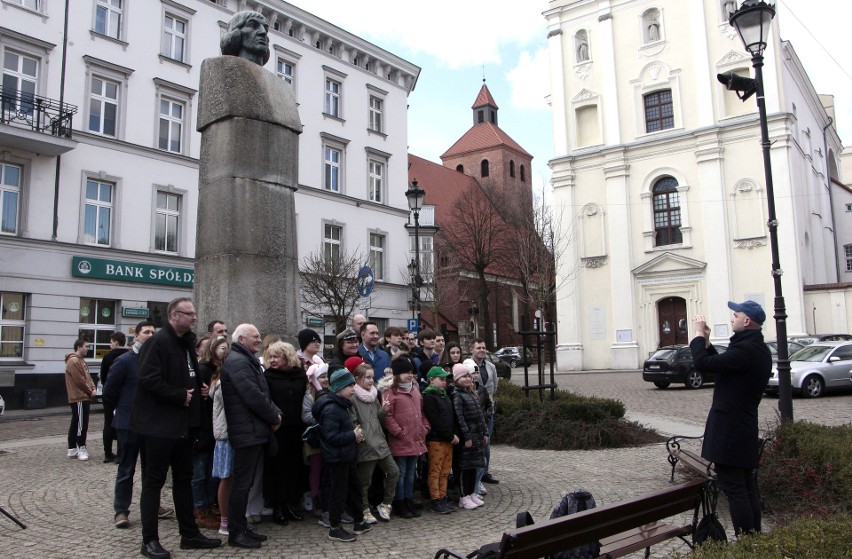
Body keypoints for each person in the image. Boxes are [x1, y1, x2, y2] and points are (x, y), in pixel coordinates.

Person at [130, 297, 221, 559]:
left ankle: (189, 534)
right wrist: (178, 394)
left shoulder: (186, 342)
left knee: (184, 481)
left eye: (195, 313)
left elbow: (188, 373)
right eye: (189, 313)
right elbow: (147, 379)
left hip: (184, 426)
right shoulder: (158, 342)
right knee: (154, 483)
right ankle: (149, 541)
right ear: (173, 316)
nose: (194, 317)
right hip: (159, 427)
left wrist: (200, 388)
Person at [690, 301, 772, 536]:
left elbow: (702, 364)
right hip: (742, 426)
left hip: (730, 430)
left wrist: (697, 335)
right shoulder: (754, 348)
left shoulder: (746, 350)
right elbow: (720, 367)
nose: (731, 318)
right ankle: (754, 539)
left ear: (746, 321)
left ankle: (747, 541)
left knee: (736, 489)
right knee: (746, 487)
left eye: (735, 315)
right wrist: (707, 342)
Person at [220, 324, 282, 549]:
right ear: (242, 339)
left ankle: (242, 527)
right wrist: (273, 417)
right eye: (255, 337)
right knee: (241, 484)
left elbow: (262, 392)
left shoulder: (246, 360)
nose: (259, 340)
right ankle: (236, 532)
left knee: (245, 483)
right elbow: (252, 395)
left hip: (253, 429)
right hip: (247, 430)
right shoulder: (238, 361)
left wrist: (275, 413)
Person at [104, 321, 167, 529]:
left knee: (152, 470)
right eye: (146, 332)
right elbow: (109, 392)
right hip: (128, 423)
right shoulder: (124, 361)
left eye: (153, 332)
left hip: (152, 424)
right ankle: (121, 511)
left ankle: (152, 505)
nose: (150, 335)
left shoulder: (158, 360)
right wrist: (122, 411)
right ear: (136, 337)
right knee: (126, 468)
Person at [313, 367, 372, 542]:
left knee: (355, 487)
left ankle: (359, 521)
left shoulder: (342, 405)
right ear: (338, 388)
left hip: (347, 454)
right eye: (348, 386)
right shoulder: (331, 409)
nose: (353, 389)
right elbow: (330, 436)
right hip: (337, 457)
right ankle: (335, 527)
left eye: (353, 385)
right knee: (338, 492)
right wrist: (352, 435)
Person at [263, 341, 308, 526]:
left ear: (287, 357)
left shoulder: (300, 375)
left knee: (294, 467)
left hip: (296, 426)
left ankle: (290, 503)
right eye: (270, 357)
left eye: (276, 356)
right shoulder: (267, 376)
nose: (272, 360)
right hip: (277, 428)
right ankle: (278, 506)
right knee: (278, 468)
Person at [350, 361, 399, 524]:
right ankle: (364, 508)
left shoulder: (373, 394)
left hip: (380, 442)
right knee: (365, 481)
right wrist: (362, 436)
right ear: (357, 379)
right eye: (367, 377)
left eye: (372, 377)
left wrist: (383, 411)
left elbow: (377, 419)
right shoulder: (353, 398)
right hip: (366, 445)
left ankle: (386, 504)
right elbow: (355, 421)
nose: (371, 381)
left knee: (393, 471)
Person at [383, 355, 429, 519]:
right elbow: (387, 417)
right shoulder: (391, 392)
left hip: (415, 439)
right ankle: (399, 501)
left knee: (411, 474)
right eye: (405, 372)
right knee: (400, 474)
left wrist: (424, 428)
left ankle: (409, 499)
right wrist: (398, 432)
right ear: (396, 374)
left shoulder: (415, 390)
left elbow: (421, 412)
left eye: (411, 372)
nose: (409, 375)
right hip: (401, 440)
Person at [192, 336, 227, 530]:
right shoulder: (203, 370)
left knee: (212, 472)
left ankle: (210, 505)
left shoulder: (221, 369)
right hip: (203, 426)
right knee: (199, 472)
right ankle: (200, 509)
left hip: (214, 427)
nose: (223, 351)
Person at [422, 366, 458, 514]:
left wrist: (453, 434)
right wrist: (449, 435)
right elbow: (435, 420)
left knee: (445, 471)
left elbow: (451, 417)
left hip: (448, 440)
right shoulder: (429, 397)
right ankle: (435, 500)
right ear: (431, 380)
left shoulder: (443, 395)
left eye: (445, 380)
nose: (444, 383)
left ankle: (443, 497)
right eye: (441, 379)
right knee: (435, 471)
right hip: (437, 440)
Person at [451, 364, 487, 510]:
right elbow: (460, 418)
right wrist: (466, 436)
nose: (467, 379)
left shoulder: (471, 393)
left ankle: (471, 492)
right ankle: (463, 495)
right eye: (463, 376)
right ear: (456, 379)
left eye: (468, 376)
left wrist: (485, 432)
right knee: (465, 468)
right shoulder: (457, 395)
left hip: (477, 435)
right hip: (468, 437)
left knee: (474, 466)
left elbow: (480, 416)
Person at [469, 339, 499, 485]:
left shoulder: (491, 366)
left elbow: (494, 386)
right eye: (478, 348)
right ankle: (476, 475)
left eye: (484, 347)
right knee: (477, 444)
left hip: (488, 410)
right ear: (472, 350)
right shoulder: (467, 365)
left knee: (486, 443)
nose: (481, 350)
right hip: (474, 410)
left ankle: (485, 472)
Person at [302, 363, 330, 519]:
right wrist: (324, 419)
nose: (325, 379)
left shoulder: (330, 392)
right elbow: (305, 416)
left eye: (326, 376)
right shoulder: (309, 395)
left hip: (329, 437)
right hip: (316, 438)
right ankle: (315, 499)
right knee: (316, 469)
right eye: (321, 377)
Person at [100, 332, 128, 463]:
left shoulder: (107, 357)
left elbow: (104, 377)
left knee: (108, 422)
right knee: (122, 423)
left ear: (116, 342)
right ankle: (121, 453)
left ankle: (107, 452)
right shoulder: (129, 356)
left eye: (111, 342)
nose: (110, 345)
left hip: (110, 395)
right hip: (124, 395)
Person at [65, 339, 95, 462]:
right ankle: (80, 447)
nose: (88, 348)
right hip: (79, 397)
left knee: (77, 422)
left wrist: (92, 387)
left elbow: (88, 377)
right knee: (81, 424)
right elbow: (80, 380)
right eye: (86, 346)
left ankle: (72, 448)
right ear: (79, 347)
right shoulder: (74, 361)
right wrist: (90, 390)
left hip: (82, 396)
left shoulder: (81, 361)